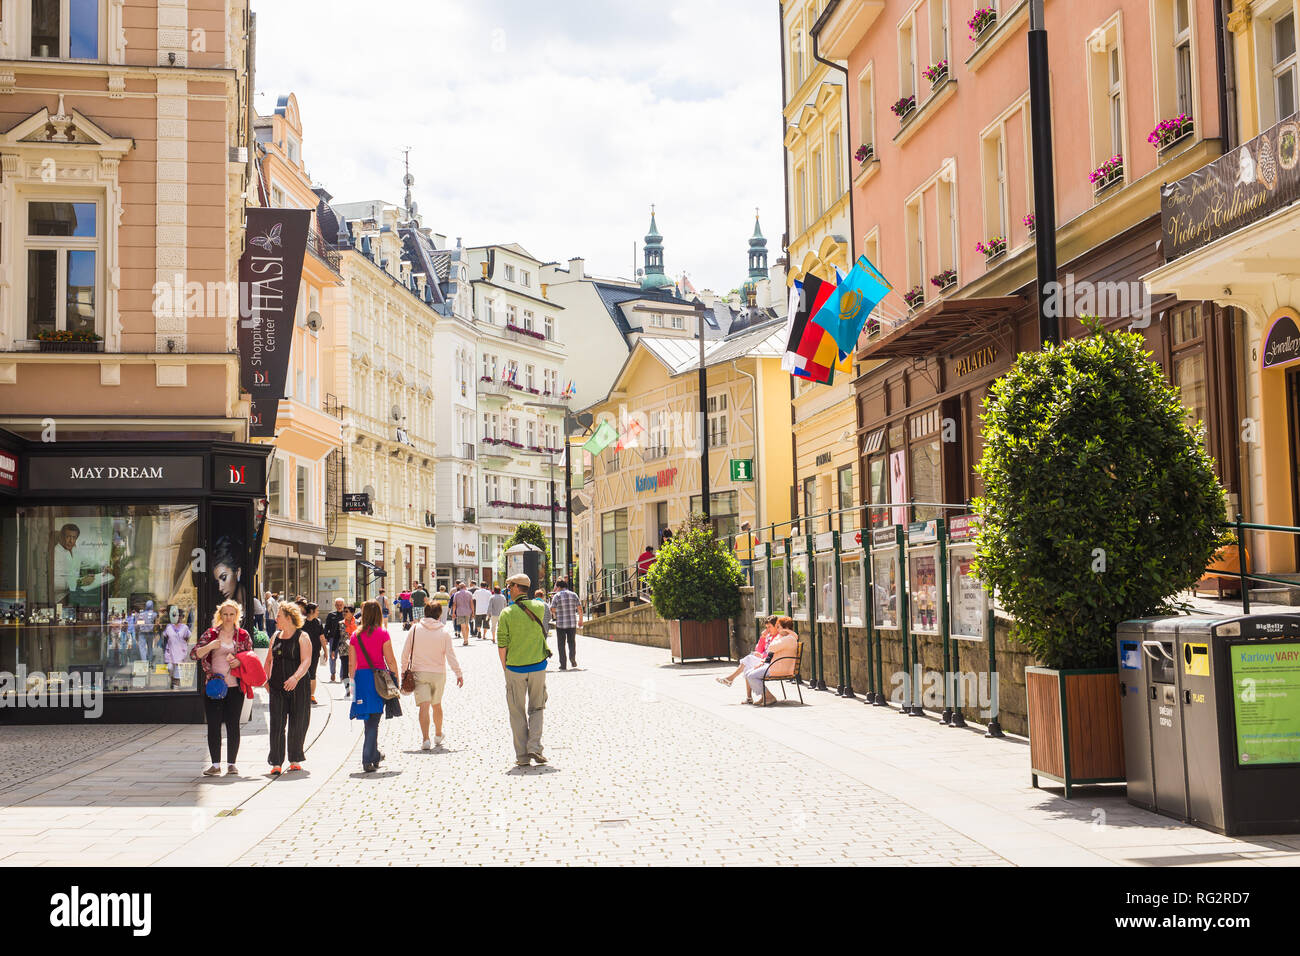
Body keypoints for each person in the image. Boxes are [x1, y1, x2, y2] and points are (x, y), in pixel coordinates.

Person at [192, 599, 251, 776]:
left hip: (235, 687)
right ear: (220, 615)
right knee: (214, 725)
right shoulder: (211, 634)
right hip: (214, 686)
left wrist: (239, 661)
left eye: (231, 614)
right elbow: (195, 654)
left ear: (236, 616)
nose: (228, 617)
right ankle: (215, 765)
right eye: (224, 614)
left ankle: (232, 764)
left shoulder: (242, 635)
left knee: (233, 725)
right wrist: (210, 646)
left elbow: (250, 656)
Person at [497, 573, 550, 767]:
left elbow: (502, 644)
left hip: (515, 668)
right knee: (537, 707)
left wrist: (505, 667)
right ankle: (534, 746)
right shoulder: (540, 607)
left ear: (518, 588)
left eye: (510, 587)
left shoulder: (507, 613)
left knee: (517, 711)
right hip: (538, 665)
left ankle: (522, 756)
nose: (508, 591)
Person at [401, 602, 463, 750]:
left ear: (425, 612)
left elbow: (405, 653)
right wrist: (458, 673)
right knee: (436, 705)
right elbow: (451, 655)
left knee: (424, 706)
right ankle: (438, 734)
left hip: (419, 672)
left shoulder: (415, 629)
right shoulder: (444, 632)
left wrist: (403, 672)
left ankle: (425, 739)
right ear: (439, 615)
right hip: (438, 674)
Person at [350, 600, 400, 773]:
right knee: (374, 720)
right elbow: (390, 660)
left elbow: (351, 664)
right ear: (379, 614)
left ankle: (374, 754)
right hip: (377, 678)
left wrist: (351, 685)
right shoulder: (382, 633)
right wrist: (396, 679)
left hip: (361, 679)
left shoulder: (355, 636)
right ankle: (368, 757)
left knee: (368, 719)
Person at [263, 602, 312, 774]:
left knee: (298, 722)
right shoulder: (275, 636)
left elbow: (306, 661)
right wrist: (265, 680)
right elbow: (269, 660)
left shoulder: (302, 636)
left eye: (279, 616)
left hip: (298, 686)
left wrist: (295, 677)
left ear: (289, 618)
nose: (275, 619)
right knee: (277, 723)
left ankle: (295, 758)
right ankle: (276, 762)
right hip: (277, 685)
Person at [718, 616, 778, 703]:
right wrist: (762, 637)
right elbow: (759, 649)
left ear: (776, 626)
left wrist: (761, 656)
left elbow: (771, 653)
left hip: (768, 663)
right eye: (766, 627)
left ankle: (731, 680)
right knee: (747, 664)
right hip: (763, 660)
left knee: (748, 661)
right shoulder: (768, 636)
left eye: (769, 627)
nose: (767, 629)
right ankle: (747, 696)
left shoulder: (777, 637)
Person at [746, 617, 799, 706]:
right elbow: (771, 649)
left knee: (751, 676)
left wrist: (779, 636)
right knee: (748, 673)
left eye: (779, 627)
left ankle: (769, 697)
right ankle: (764, 696)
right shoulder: (785, 637)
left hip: (780, 668)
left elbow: (771, 647)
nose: (777, 629)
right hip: (775, 665)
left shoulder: (789, 639)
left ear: (785, 628)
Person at [549, 578, 583, 671]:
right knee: (572, 642)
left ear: (559, 587)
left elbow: (552, 609)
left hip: (561, 624)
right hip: (572, 623)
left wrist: (559, 611)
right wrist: (580, 620)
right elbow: (579, 608)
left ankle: (563, 664)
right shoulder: (574, 595)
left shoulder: (557, 596)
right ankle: (572, 658)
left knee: (561, 644)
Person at [301, 602, 326, 704]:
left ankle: (311, 696)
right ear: (311, 611)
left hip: (315, 652)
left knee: (313, 673)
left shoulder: (318, 622)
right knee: (303, 672)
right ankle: (302, 694)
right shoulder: (301, 622)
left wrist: (325, 650)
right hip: (303, 651)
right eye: (317, 610)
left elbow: (321, 636)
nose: (318, 612)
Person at [162, 605, 192, 688]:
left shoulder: (185, 628)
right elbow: (165, 636)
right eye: (177, 615)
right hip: (170, 653)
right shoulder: (169, 627)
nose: (179, 618)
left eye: (181, 616)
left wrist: (183, 646)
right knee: (170, 668)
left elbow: (188, 637)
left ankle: (175, 688)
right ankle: (172, 681)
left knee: (177, 673)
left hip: (180, 653)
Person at [324, 598, 346, 684]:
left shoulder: (346, 614)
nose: (339, 607)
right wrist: (325, 637)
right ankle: (332, 673)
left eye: (341, 605)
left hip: (343, 639)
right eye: (337, 605)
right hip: (333, 639)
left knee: (343, 658)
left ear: (343, 605)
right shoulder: (331, 615)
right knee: (333, 657)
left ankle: (342, 675)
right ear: (335, 605)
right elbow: (326, 627)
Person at [450, 582, 474, 646]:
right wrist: (473, 612)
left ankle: (465, 640)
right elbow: (471, 603)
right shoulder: (469, 593)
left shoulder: (456, 594)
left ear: (459, 587)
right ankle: (467, 639)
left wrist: (453, 613)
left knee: (462, 626)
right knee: (467, 625)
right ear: (465, 587)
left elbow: (454, 604)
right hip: (468, 611)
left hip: (459, 612)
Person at [341, 605, 357, 697]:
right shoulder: (340, 623)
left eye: (346, 611)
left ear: (352, 613)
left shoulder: (358, 623)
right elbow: (336, 637)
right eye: (344, 611)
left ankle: (354, 688)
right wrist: (333, 650)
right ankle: (347, 689)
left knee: (354, 670)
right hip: (344, 651)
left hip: (356, 651)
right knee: (345, 671)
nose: (344, 613)